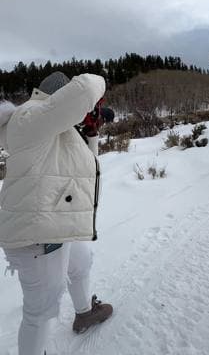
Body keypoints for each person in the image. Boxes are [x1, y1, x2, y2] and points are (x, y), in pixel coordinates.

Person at [0, 71, 113, 355]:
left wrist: (91, 133)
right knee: (40, 312)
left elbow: (78, 166)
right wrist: (96, 97)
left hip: (53, 223)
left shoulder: (49, 127)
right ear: (57, 98)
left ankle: (85, 312)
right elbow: (86, 86)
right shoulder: (32, 116)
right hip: (37, 234)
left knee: (81, 261)